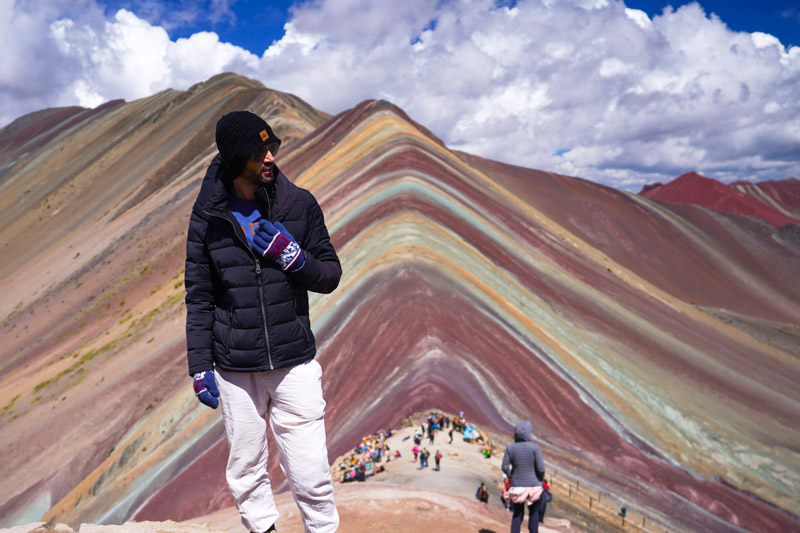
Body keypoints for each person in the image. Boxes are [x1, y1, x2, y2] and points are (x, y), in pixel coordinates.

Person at [185, 110, 342, 533]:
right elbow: (199, 296)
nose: (270, 157)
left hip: (294, 362)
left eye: (271, 148)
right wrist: (199, 364)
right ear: (237, 159)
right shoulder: (208, 219)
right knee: (247, 470)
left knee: (311, 475)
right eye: (259, 152)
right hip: (235, 368)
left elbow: (329, 275)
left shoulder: (299, 205)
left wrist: (293, 258)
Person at [502, 421, 546, 533]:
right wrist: (539, 478)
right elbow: (541, 468)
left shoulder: (510, 448)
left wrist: (511, 475)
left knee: (517, 514)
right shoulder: (534, 448)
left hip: (517, 485)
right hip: (534, 486)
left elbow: (504, 466)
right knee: (534, 513)